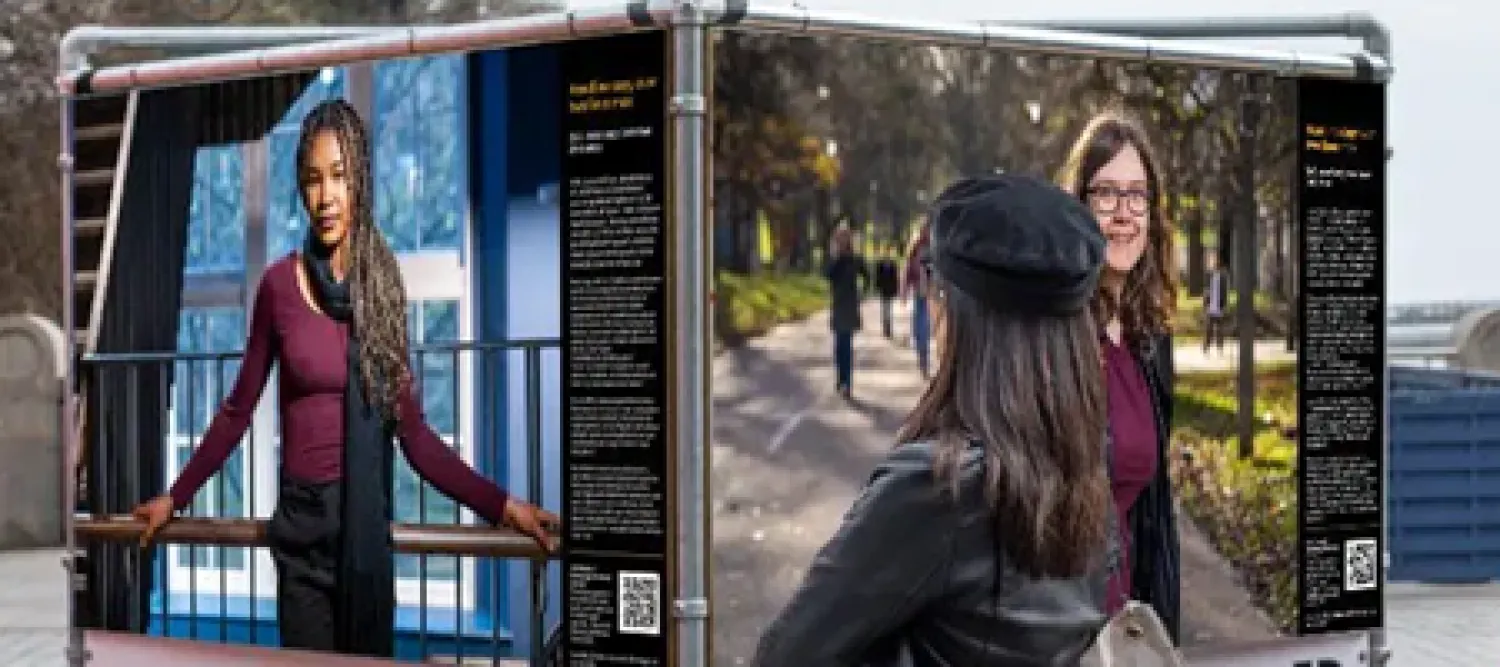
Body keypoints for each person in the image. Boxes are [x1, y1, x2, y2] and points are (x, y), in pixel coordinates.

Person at [130, 99, 558, 658]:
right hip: (302, 546)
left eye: (338, 177)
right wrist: (173, 498)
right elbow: (237, 412)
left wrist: (507, 508)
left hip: (363, 543)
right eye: (312, 180)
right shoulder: (279, 288)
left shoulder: (383, 294)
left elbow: (418, 441)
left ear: (360, 181)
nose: (325, 197)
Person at [753, 173, 1116, 666]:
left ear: (956, 314)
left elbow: (786, 657)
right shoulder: (1084, 472)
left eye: (935, 290)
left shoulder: (939, 488)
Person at [1058, 109, 1182, 643]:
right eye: (1106, 194)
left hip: (1128, 630)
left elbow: (1154, 516)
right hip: (1061, 630)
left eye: (1137, 196)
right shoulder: (1055, 336)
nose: (1124, 213)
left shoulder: (1147, 340)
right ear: (1078, 206)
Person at [825, 224, 869, 399]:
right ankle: (840, 378)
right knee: (838, 345)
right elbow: (827, 275)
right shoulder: (835, 260)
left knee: (846, 345)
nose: (842, 241)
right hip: (837, 305)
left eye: (845, 238)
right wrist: (836, 256)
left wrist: (862, 293)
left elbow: (866, 276)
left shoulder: (855, 259)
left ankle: (847, 383)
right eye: (839, 238)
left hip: (850, 306)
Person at [900, 224, 932, 378]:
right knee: (918, 327)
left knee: (924, 326)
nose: (925, 232)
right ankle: (921, 354)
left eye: (927, 229)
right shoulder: (914, 249)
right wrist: (904, 291)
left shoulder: (934, 247)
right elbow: (907, 271)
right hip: (918, 291)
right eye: (923, 229)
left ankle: (924, 358)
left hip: (931, 293)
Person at [1202, 252, 1229, 353]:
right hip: (1210, 305)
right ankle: (1206, 348)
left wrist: (1224, 305)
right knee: (1208, 328)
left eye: (1215, 260)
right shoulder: (1209, 275)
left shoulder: (1223, 275)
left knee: (1219, 329)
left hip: (1219, 305)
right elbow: (1205, 290)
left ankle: (1220, 348)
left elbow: (1225, 291)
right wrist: (1205, 304)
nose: (1213, 262)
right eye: (1211, 260)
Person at [872, 244, 901, 339]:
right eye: (886, 252)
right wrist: (877, 287)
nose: (887, 254)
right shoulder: (879, 264)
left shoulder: (893, 264)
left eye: (889, 252)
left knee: (889, 309)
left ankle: (888, 328)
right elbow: (877, 278)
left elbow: (896, 278)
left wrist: (897, 289)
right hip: (883, 290)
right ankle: (886, 328)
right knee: (885, 309)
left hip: (891, 290)